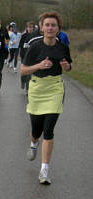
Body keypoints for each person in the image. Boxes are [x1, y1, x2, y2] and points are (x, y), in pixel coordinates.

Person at [21, 12, 72, 185]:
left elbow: (69, 67)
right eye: (47, 25)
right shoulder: (34, 46)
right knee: (36, 130)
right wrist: (39, 65)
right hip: (36, 88)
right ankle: (33, 144)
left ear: (58, 29)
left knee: (49, 130)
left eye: (54, 25)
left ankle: (44, 170)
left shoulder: (62, 47)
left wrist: (67, 66)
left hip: (55, 89)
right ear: (41, 28)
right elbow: (23, 70)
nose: (50, 28)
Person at [18, 21, 35, 93]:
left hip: (32, 58)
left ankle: (28, 89)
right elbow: (20, 46)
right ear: (26, 28)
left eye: (31, 27)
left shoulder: (35, 36)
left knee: (30, 74)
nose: (30, 29)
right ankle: (22, 81)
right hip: (24, 56)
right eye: (29, 27)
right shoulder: (24, 36)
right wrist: (20, 55)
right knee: (24, 73)